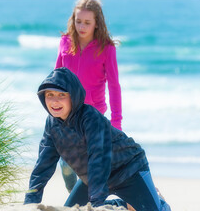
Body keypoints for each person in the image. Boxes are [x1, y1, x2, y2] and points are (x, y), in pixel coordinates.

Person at [24, 67, 171, 211]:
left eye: (61, 95)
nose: (55, 101)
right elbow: (43, 165)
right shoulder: (51, 124)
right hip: (91, 178)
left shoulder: (90, 117)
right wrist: (30, 201)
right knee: (71, 210)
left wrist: (96, 203)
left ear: (73, 96)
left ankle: (160, 201)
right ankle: (123, 204)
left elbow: (99, 160)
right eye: (50, 95)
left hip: (128, 170)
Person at [55, 0, 122, 193]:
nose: (81, 26)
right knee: (66, 166)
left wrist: (116, 121)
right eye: (78, 21)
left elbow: (114, 86)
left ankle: (87, 201)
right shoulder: (65, 42)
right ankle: (76, 199)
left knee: (87, 164)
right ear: (73, 19)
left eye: (87, 22)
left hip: (93, 114)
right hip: (67, 114)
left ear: (96, 23)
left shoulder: (106, 48)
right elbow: (57, 77)